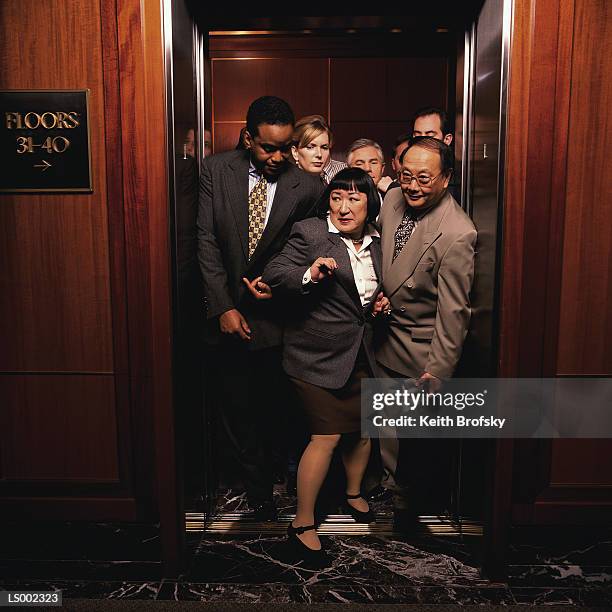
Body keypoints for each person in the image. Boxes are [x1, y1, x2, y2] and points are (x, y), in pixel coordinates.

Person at [197, 96, 323, 521]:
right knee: (234, 407)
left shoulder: (307, 186)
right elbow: (206, 241)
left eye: (285, 147)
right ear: (249, 138)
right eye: (268, 147)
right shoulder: (216, 170)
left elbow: (303, 246)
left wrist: (280, 284)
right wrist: (223, 306)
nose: (278, 156)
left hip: (275, 316)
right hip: (225, 311)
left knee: (273, 406)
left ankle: (272, 477)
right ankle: (255, 488)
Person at [263, 167, 389, 564]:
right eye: (336, 197)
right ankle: (302, 522)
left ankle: (353, 494)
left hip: (361, 352)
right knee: (327, 436)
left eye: (353, 198)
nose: (343, 207)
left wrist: (379, 306)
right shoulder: (311, 232)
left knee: (364, 431)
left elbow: (366, 297)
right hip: (314, 357)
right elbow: (275, 273)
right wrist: (309, 273)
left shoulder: (379, 242)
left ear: (370, 202)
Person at [375, 136, 476, 528]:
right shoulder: (394, 200)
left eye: (423, 178)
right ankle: (387, 491)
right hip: (383, 335)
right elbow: (383, 255)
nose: (412, 186)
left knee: (409, 443)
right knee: (383, 429)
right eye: (405, 176)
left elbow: (454, 311)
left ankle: (405, 510)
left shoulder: (457, 232)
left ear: (446, 177)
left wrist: (439, 370)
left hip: (418, 351)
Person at [291, 115, 346, 184]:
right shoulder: (283, 180)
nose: (319, 154)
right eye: (310, 147)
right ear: (295, 152)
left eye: (324, 147)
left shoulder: (344, 172)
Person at [346, 138, 387, 206]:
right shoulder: (339, 200)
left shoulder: (392, 198)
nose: (367, 168)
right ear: (349, 170)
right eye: (359, 164)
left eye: (373, 163)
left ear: (382, 168)